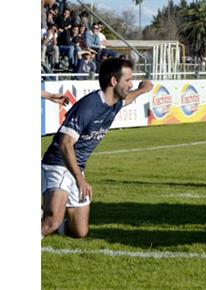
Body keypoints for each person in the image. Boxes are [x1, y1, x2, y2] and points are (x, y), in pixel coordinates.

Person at [41, 58, 153, 239]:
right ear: (114, 81)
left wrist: (142, 89)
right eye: (128, 80)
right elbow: (65, 143)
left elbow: (128, 99)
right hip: (58, 164)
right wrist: (79, 179)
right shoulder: (89, 106)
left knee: (79, 231)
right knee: (51, 221)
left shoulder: (115, 103)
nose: (131, 84)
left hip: (77, 168)